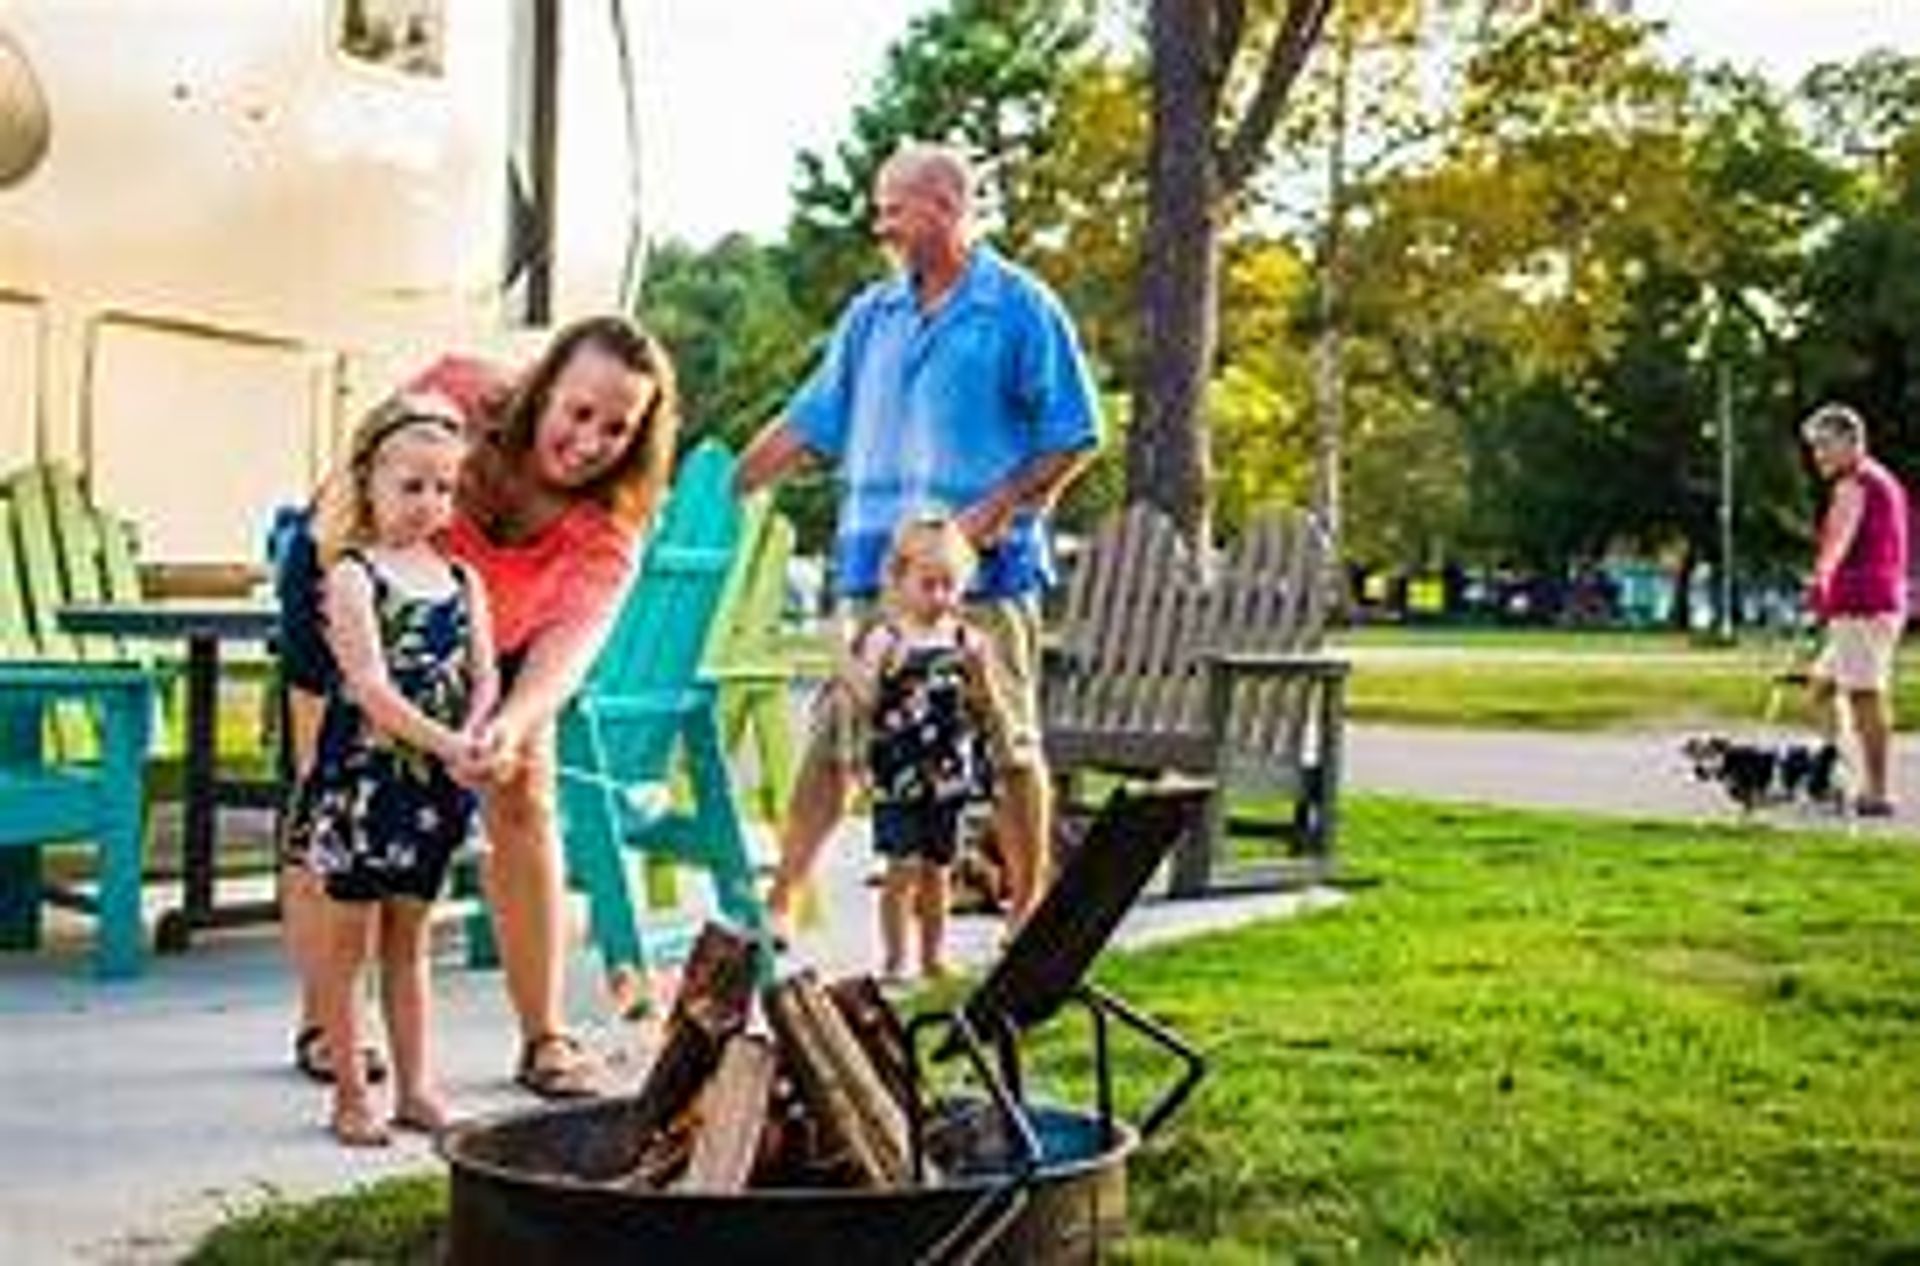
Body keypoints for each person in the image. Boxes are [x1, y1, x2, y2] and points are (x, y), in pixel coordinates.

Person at [278, 314, 680, 1099]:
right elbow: (351, 503)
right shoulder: (457, 396)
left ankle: (545, 1038)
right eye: (579, 410)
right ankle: (328, 1024)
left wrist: (505, 724)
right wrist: (378, 684)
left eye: (616, 428)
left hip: (492, 631)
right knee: (330, 802)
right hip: (354, 585)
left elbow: (566, 654)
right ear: (543, 389)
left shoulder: (612, 528)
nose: (589, 439)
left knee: (525, 794)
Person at [738, 140, 1101, 938]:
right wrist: (718, 488)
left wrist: (995, 513)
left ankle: (1026, 908)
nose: (879, 223)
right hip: (876, 567)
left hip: (986, 575)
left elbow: (1075, 435)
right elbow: (807, 422)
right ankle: (784, 897)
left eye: (891, 207)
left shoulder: (1019, 306)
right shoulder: (872, 317)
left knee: (1008, 737)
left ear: (944, 205)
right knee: (838, 734)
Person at [286, 395, 496, 1145]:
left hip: (431, 790)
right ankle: (350, 1094)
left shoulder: (465, 582)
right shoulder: (351, 576)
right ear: (369, 479)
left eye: (444, 488)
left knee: (411, 944)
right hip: (364, 786)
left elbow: (485, 678)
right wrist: (448, 743)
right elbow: (371, 688)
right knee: (350, 950)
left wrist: (479, 735)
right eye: (412, 486)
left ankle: (418, 1089)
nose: (429, 503)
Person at [843, 513, 1006, 982]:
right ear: (898, 578)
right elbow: (867, 701)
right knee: (902, 868)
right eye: (928, 584)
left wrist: (982, 671)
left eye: (949, 585)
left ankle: (933, 956)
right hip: (899, 776)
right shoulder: (886, 638)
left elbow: (984, 705)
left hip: (950, 775)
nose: (939, 596)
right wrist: (845, 662)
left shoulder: (965, 639)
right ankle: (896, 958)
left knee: (940, 871)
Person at [1802, 402, 1909, 817]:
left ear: (1851, 442)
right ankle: (1835, 775)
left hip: (1863, 605)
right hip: (1862, 603)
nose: (1818, 457)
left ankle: (1877, 792)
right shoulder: (1879, 479)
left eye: (1824, 446)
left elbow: (1838, 541)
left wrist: (1820, 578)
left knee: (1865, 695)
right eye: (1815, 448)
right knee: (1822, 686)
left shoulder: (1856, 483)